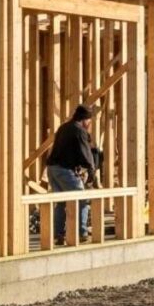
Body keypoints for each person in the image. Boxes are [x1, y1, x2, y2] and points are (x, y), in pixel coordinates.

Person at [46, 104, 96, 245]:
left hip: (52, 169)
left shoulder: (64, 127)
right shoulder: (79, 130)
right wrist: (91, 170)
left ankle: (58, 235)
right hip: (63, 169)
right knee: (82, 199)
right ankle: (81, 233)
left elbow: (69, 150)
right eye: (89, 121)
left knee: (61, 203)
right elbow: (85, 152)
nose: (89, 124)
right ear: (86, 119)